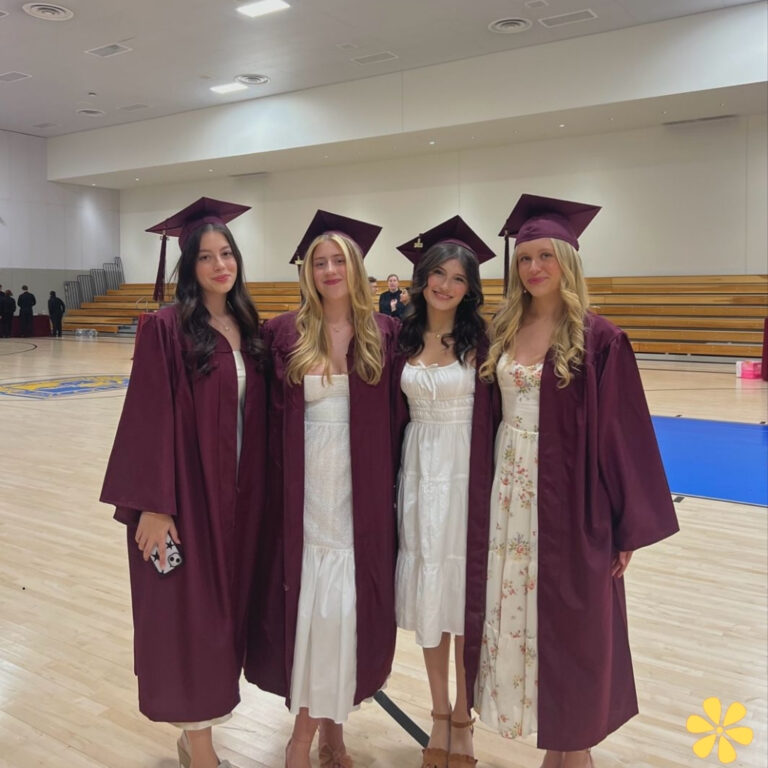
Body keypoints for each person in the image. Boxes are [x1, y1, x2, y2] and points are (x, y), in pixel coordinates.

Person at [475, 194, 679, 767]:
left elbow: (624, 435)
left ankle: (575, 751)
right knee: (522, 620)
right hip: (508, 498)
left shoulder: (599, 339)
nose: (533, 268)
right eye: (523, 258)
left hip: (573, 501)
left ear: (568, 260)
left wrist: (626, 528)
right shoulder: (505, 328)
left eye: (545, 256)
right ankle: (555, 747)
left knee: (577, 625)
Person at [101, 197, 268, 768]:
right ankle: (201, 750)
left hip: (242, 500)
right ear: (189, 267)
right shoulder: (166, 328)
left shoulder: (250, 327)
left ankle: (198, 732)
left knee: (226, 618)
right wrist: (152, 506)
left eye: (227, 254)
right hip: (187, 501)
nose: (220, 265)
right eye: (206, 257)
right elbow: (148, 417)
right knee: (190, 618)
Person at [244, 210, 400, 768]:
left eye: (338, 261)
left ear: (356, 268)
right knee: (312, 612)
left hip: (359, 497)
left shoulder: (385, 334)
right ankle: (304, 739)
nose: (329, 270)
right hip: (303, 497)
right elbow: (257, 418)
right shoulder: (284, 331)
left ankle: (333, 732)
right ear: (306, 272)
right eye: (319, 262)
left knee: (345, 612)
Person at [393, 216, 498, 768]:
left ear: (470, 288)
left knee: (462, 599)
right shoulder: (400, 338)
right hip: (417, 472)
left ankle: (465, 718)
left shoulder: (485, 341)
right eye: (437, 273)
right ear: (422, 278)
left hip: (465, 472)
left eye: (458, 278)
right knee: (431, 596)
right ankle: (437, 714)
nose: (445, 285)